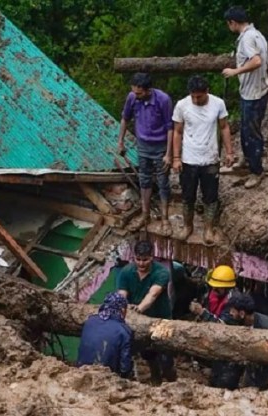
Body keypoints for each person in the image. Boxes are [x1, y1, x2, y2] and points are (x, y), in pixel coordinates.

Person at [172, 75, 235, 244]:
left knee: (210, 196)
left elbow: (224, 127)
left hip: (210, 158)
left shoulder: (218, 104)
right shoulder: (182, 105)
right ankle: (187, 226)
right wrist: (176, 157)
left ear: (207, 92)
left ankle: (208, 228)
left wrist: (229, 152)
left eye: (199, 96)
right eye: (193, 96)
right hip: (188, 158)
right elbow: (177, 132)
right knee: (187, 195)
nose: (195, 99)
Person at [118, 72, 175, 233]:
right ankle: (145, 214)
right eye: (134, 92)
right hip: (142, 145)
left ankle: (165, 218)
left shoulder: (163, 100)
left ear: (148, 90)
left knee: (163, 182)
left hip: (160, 146)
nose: (136, 96)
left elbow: (171, 127)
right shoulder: (132, 98)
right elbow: (125, 118)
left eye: (139, 93)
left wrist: (169, 154)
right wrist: (120, 141)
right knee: (144, 180)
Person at [222, 6, 268, 190]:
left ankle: (256, 171)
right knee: (245, 128)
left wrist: (236, 71)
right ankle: (247, 158)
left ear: (233, 22)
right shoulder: (256, 34)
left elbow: (256, 61)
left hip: (254, 94)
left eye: (229, 24)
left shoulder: (248, 38)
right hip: (253, 90)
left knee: (252, 132)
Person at [117, 241, 176, 384]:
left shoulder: (161, 272)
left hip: (161, 320)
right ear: (133, 257)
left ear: (152, 257)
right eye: (138, 259)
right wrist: (121, 308)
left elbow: (153, 294)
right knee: (148, 354)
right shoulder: (126, 272)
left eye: (145, 260)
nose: (141, 263)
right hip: (139, 322)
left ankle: (171, 378)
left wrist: (138, 309)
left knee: (166, 355)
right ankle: (155, 376)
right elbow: (122, 294)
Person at [77, 292, 134, 379]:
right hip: (106, 378)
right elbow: (125, 368)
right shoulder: (124, 331)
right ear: (122, 310)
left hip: (80, 372)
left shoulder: (89, 321)